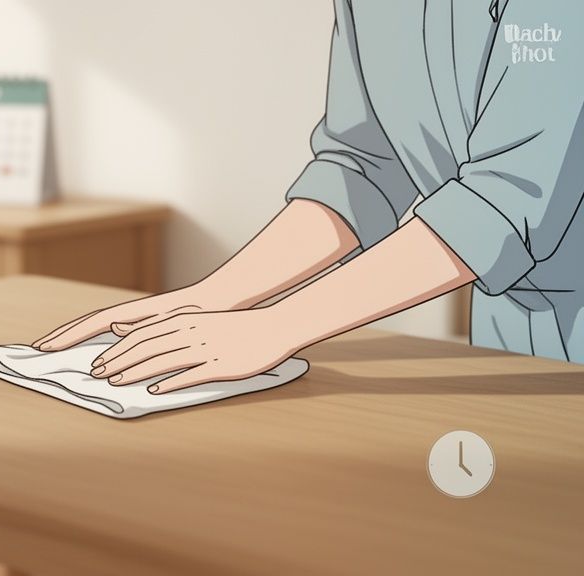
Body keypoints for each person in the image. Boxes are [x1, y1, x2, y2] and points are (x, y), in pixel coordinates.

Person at [33, 0, 584, 394]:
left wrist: (278, 326)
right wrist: (213, 295)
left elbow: (504, 199)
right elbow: (361, 168)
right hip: (508, 325)